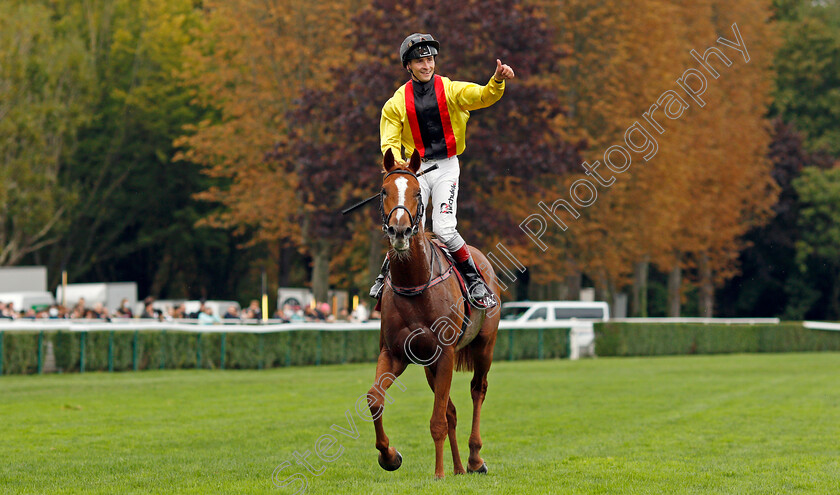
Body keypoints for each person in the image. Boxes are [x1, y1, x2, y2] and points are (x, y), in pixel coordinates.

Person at [372, 33, 515, 309]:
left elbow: (482, 96)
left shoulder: (450, 90)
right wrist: (401, 169)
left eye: (429, 59)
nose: (426, 66)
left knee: (444, 228)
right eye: (419, 61)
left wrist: (496, 81)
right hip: (415, 170)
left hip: (447, 166)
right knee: (405, 223)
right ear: (408, 66)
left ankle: (474, 280)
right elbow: (389, 142)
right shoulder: (396, 103)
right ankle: (384, 275)